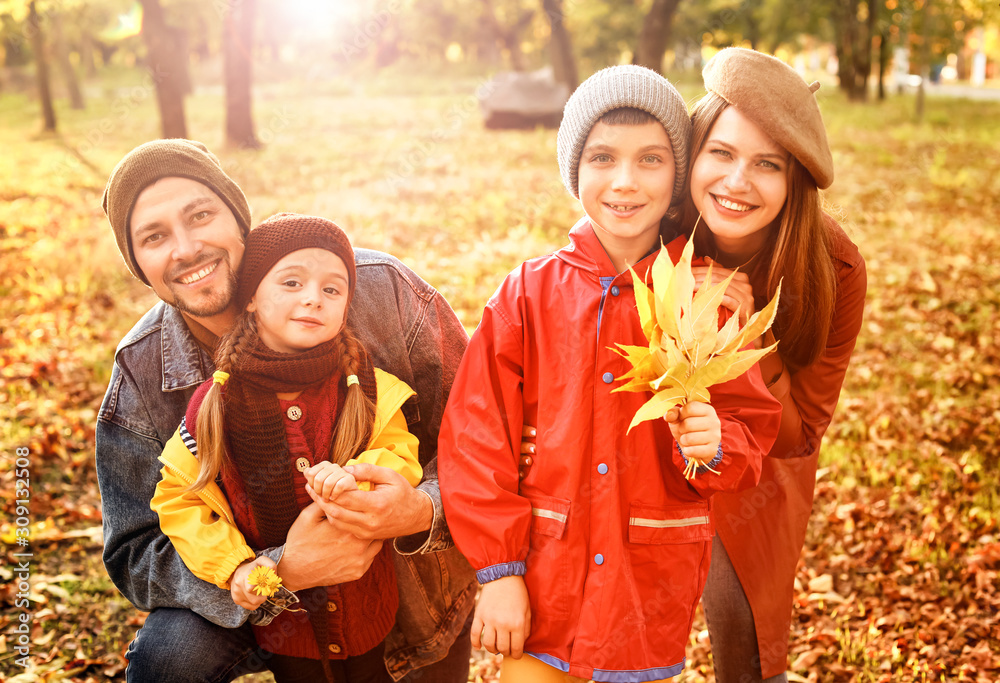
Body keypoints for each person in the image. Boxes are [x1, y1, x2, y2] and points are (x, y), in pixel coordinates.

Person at [438, 65, 783, 683]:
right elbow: (475, 434)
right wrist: (499, 571)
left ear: (679, 176)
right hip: (542, 586)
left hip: (644, 593)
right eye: (602, 157)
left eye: (651, 159)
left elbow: (748, 429)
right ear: (575, 172)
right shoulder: (527, 294)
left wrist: (716, 444)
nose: (625, 183)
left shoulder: (703, 299)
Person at [97, 139, 476, 682]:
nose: (185, 249)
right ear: (139, 263)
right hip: (260, 602)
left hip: (412, 582)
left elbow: (484, 438)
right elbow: (136, 550)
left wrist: (418, 511)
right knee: (168, 662)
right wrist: (278, 572)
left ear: (239, 218)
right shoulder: (142, 372)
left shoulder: (380, 291)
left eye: (200, 215)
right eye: (154, 237)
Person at [151, 213, 424, 682]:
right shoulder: (216, 400)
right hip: (283, 621)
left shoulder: (364, 387)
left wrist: (358, 475)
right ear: (252, 298)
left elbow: (399, 452)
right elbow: (179, 497)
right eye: (292, 282)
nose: (313, 298)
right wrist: (235, 566)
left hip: (367, 605)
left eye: (332, 289)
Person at [677, 49, 867, 682]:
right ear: (694, 152)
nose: (738, 182)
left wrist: (750, 341)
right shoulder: (656, 225)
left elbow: (798, 437)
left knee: (745, 633)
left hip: (756, 473)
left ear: (797, 181)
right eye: (722, 153)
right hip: (639, 437)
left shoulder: (833, 268)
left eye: (767, 165)